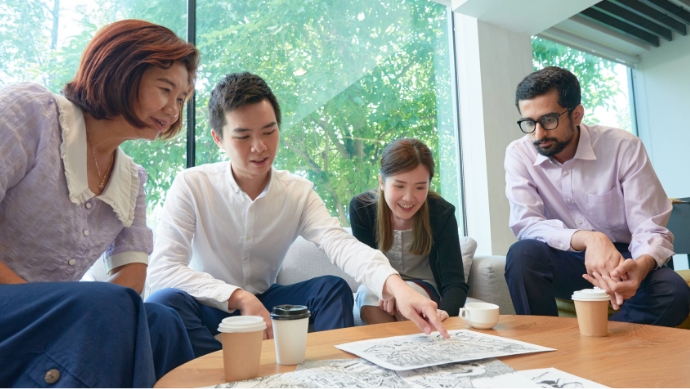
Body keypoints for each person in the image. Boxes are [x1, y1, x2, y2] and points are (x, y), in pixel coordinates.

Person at [147, 72, 449, 358]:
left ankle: (333, 376)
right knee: (162, 303)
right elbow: (163, 269)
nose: (260, 147)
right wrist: (237, 296)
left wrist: (399, 289)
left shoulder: (297, 192)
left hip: (268, 299)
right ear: (218, 139)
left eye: (269, 131)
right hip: (208, 302)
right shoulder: (192, 185)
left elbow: (340, 244)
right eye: (243, 136)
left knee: (332, 288)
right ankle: (225, 370)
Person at [0, 19, 199, 387]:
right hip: (13, 310)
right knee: (107, 306)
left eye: (182, 99)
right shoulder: (31, 113)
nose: (173, 109)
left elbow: (131, 277)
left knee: (163, 322)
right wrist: (54, 307)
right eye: (165, 89)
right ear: (122, 70)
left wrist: (63, 310)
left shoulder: (131, 180)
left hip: (57, 316)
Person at [504, 65, 690, 327]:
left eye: (548, 120)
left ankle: (598, 353)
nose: (538, 134)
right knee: (522, 255)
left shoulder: (623, 147)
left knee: (673, 291)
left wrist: (640, 266)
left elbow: (649, 227)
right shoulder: (519, 154)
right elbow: (526, 223)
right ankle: (544, 346)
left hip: (628, 256)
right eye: (529, 123)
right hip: (570, 256)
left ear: (577, 114)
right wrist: (590, 239)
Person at [349, 138, 468, 324]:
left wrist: (446, 313)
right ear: (382, 182)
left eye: (420, 187)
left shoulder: (441, 213)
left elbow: (455, 283)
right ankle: (393, 351)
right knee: (369, 293)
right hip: (381, 284)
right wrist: (392, 288)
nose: (409, 198)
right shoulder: (362, 209)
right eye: (399, 186)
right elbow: (366, 267)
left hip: (425, 288)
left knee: (407, 302)